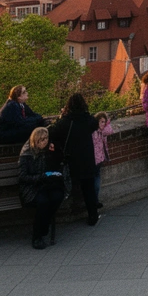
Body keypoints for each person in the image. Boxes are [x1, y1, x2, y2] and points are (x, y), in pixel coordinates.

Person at [50, 93, 101, 227]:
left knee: (68, 185)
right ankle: (93, 215)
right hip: (87, 160)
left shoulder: (67, 121)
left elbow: (53, 132)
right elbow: (95, 124)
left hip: (72, 160)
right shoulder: (88, 119)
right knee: (88, 188)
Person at [18, 126, 65, 249]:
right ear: (36, 141)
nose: (45, 141)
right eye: (42, 139)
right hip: (32, 187)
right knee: (43, 202)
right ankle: (37, 236)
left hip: (46, 183)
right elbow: (23, 177)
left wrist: (54, 153)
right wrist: (40, 177)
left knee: (58, 196)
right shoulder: (27, 155)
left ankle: (45, 224)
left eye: (46, 138)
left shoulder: (48, 150)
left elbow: (58, 164)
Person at [92, 111, 113, 208]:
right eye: (101, 122)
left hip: (99, 159)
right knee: (95, 179)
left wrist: (106, 123)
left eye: (104, 122)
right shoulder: (96, 132)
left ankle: (95, 199)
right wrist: (107, 122)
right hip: (94, 159)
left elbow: (109, 131)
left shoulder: (100, 131)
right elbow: (109, 130)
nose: (103, 124)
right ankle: (95, 200)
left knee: (96, 178)